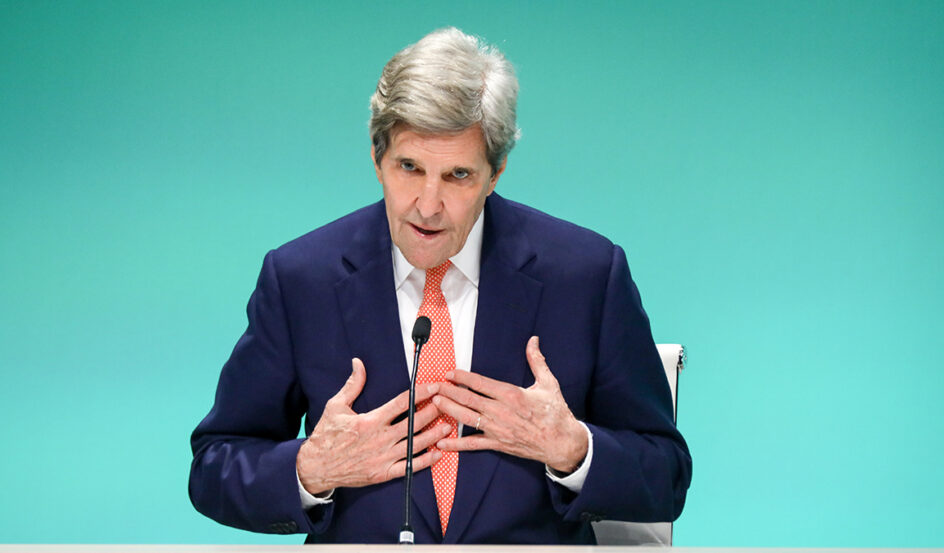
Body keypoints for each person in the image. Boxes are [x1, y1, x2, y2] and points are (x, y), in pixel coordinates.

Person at [189, 27, 691, 544]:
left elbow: (666, 474)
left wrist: (574, 450)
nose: (428, 206)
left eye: (457, 176)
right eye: (409, 167)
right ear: (377, 160)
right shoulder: (301, 278)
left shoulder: (585, 275)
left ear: (495, 174)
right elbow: (213, 466)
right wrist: (311, 469)